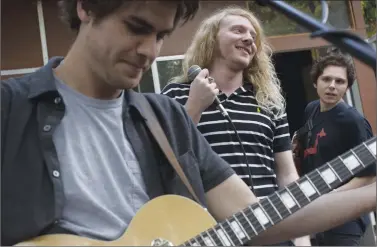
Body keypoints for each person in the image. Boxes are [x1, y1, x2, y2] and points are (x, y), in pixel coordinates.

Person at [1, 1, 375, 246]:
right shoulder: (9, 109)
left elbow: (260, 216)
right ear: (85, 7)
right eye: (136, 27)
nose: (150, 50)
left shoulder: (164, 117)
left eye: (161, 36)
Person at [160, 6, 309, 246]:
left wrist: (300, 234)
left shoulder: (269, 101)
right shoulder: (177, 93)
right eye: (238, 30)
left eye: (253, 36)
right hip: (207, 234)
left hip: (269, 231)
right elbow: (164, 159)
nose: (249, 38)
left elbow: (287, 173)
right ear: (212, 39)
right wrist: (195, 106)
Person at [292, 53, 376, 246]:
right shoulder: (311, 110)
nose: (332, 85)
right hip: (315, 214)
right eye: (326, 79)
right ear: (315, 82)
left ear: (347, 87)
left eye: (339, 81)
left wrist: (330, 197)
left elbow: (369, 176)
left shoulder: (353, 121)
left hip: (344, 218)